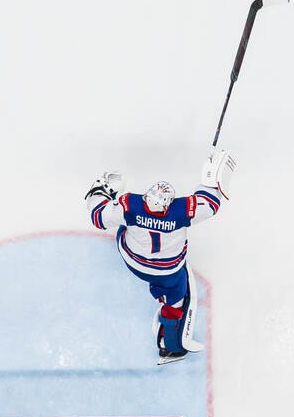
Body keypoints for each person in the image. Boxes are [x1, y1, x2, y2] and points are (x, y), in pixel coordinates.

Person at [83, 148, 233, 364]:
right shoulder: (180, 211)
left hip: (133, 260)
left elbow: (98, 217)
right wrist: (209, 179)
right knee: (176, 298)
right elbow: (210, 204)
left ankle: (166, 316)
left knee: (122, 228)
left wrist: (100, 192)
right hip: (168, 270)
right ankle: (170, 345)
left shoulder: (131, 205)